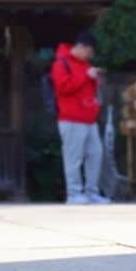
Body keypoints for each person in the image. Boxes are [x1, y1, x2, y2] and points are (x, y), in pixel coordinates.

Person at [51, 30, 110, 205]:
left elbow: (88, 89)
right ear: (82, 47)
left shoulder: (85, 65)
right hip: (70, 118)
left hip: (89, 119)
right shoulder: (61, 63)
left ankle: (91, 192)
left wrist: (96, 78)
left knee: (95, 154)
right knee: (73, 157)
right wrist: (86, 76)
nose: (90, 56)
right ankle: (74, 193)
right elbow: (62, 88)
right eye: (90, 52)